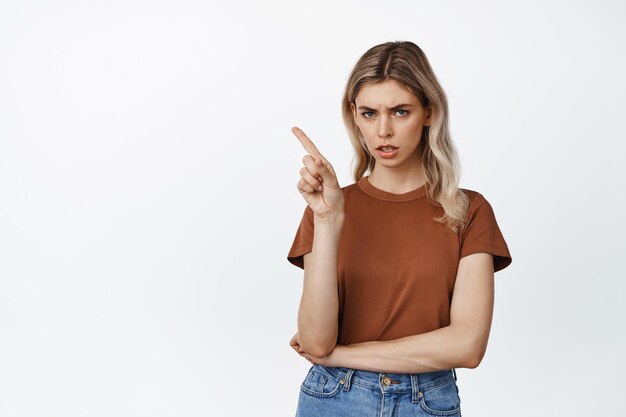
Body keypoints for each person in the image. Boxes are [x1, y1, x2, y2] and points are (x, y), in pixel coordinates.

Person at [286, 40, 512, 417]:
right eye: (370, 113)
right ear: (354, 116)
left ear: (428, 112)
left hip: (426, 402)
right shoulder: (328, 207)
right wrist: (328, 221)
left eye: (400, 111)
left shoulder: (469, 210)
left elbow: (468, 346)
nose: (384, 130)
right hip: (332, 397)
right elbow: (315, 339)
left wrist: (342, 355)